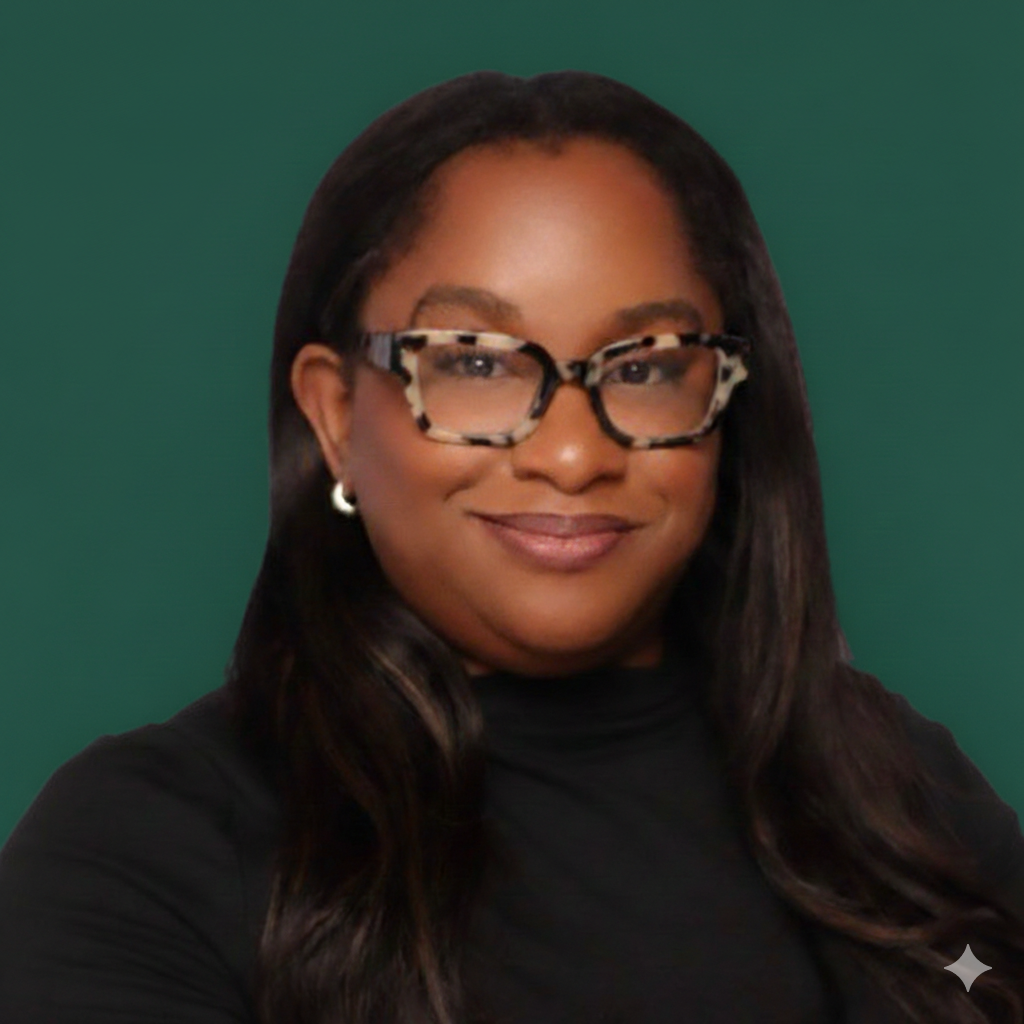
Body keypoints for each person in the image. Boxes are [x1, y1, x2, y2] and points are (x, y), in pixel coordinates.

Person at [0, 70, 1022, 1024]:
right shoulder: (147, 848)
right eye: (476, 363)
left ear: (723, 410)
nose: (573, 453)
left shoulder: (900, 797)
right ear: (333, 414)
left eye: (647, 366)